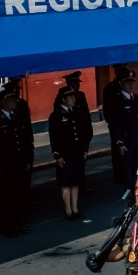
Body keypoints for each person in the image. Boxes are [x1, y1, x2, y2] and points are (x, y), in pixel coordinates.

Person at [0, 83, 36, 236]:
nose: (16, 102)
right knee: (7, 197)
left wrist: (27, 159)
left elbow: (24, 139)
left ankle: (17, 224)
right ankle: (8, 227)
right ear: (4, 102)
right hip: (5, 164)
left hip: (19, 163)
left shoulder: (17, 117)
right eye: (12, 100)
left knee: (19, 195)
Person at [49, 86, 89, 222]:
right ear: (64, 99)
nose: (74, 99)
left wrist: (84, 149)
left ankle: (75, 208)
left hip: (76, 152)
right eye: (71, 97)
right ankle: (68, 210)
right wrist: (57, 155)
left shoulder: (75, 113)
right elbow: (54, 137)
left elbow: (81, 133)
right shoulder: (56, 116)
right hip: (65, 154)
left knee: (75, 181)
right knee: (66, 182)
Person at [107, 70, 138, 187]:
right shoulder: (117, 100)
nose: (131, 85)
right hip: (127, 139)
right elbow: (116, 123)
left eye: (132, 83)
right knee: (128, 168)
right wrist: (119, 141)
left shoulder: (136, 98)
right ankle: (130, 191)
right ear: (121, 84)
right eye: (128, 83)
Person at [63, 72, 96, 181]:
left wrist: (89, 131)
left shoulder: (81, 95)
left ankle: (82, 183)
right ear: (68, 83)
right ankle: (75, 183)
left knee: (83, 159)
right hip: (71, 134)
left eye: (77, 83)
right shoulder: (64, 96)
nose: (77, 85)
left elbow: (86, 114)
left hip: (83, 132)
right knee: (73, 162)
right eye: (74, 83)